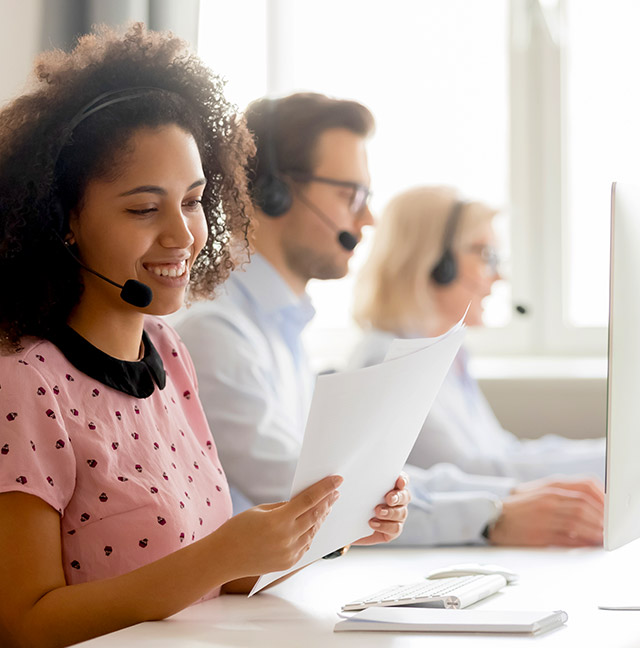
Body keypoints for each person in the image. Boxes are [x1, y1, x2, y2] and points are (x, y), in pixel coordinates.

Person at [0, 27, 409, 648]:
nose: (183, 235)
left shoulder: (167, 351)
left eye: (192, 202)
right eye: (143, 209)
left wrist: (324, 529)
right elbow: (24, 624)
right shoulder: (24, 382)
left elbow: (201, 577)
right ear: (63, 223)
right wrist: (220, 556)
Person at [176, 96, 602, 548]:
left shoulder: (282, 334)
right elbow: (308, 496)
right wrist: (488, 516)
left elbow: (364, 480)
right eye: (349, 195)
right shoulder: (217, 334)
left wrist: (504, 499)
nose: (368, 218)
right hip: (244, 603)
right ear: (272, 195)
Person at [350, 185, 605, 543]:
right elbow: (471, 469)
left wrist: (613, 454)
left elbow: (504, 452)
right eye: (486, 256)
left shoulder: (447, 354)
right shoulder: (387, 360)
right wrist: (613, 463)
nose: (497, 277)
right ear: (437, 262)